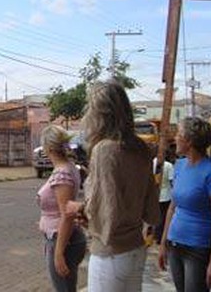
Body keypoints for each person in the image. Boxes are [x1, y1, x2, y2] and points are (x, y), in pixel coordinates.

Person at [66, 81, 159, 292]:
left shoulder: (104, 150)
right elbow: (149, 205)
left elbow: (107, 210)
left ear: (99, 113)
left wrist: (79, 209)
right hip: (136, 246)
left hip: (111, 252)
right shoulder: (140, 148)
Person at [158, 117, 211, 291]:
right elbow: (172, 208)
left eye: (179, 134)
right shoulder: (179, 165)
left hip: (198, 248)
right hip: (174, 243)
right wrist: (163, 244)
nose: (175, 138)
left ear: (190, 140)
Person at [37, 125, 86, 292]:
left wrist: (58, 253)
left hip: (63, 240)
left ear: (48, 148)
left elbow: (67, 215)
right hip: (65, 238)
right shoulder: (69, 167)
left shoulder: (61, 173)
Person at [153, 153, 174, 245]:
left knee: (156, 215)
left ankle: (155, 235)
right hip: (165, 195)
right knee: (164, 217)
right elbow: (171, 180)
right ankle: (160, 237)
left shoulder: (151, 162)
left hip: (154, 195)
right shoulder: (168, 165)